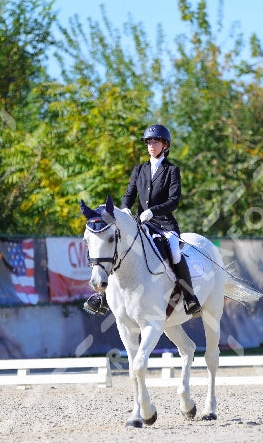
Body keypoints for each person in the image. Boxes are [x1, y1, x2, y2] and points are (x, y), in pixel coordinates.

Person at [83, 123, 201, 317]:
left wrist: (153, 211)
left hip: (163, 224)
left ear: (165, 145)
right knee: (118, 250)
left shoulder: (172, 171)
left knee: (174, 251)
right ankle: (102, 297)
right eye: (148, 142)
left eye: (156, 142)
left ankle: (190, 297)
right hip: (140, 223)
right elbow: (129, 194)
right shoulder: (139, 169)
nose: (151, 145)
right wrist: (126, 209)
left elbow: (174, 201)